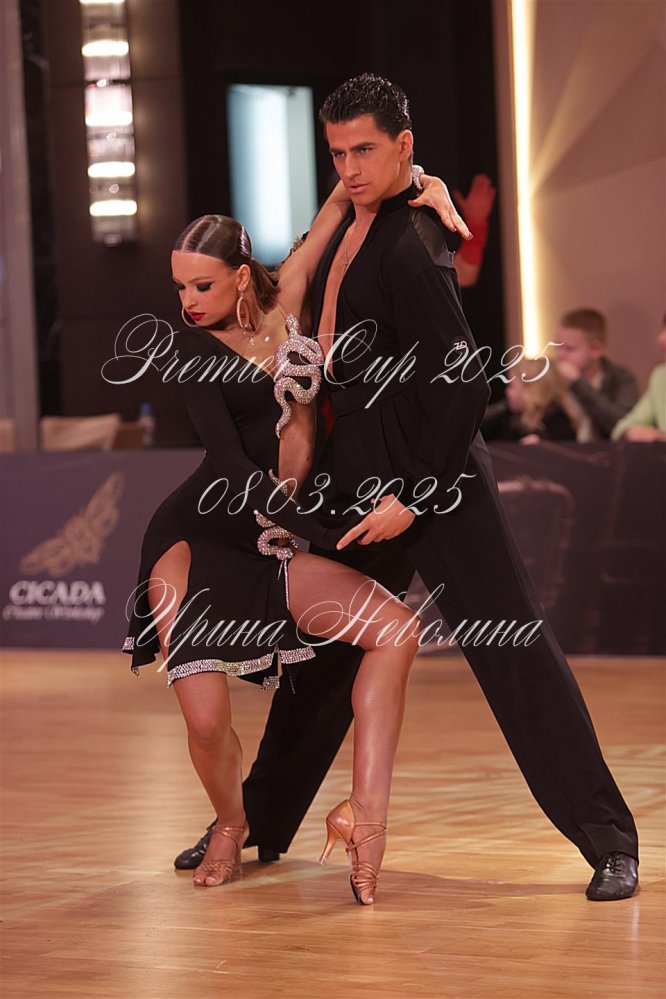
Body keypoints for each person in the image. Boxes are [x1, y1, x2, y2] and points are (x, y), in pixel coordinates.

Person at [176, 74, 639, 903]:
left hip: (438, 483)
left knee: (514, 651)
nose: (350, 168)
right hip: (359, 481)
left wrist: (418, 494)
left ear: (403, 146)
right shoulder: (361, 219)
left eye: (365, 150)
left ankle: (610, 841)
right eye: (338, 153)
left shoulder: (413, 243)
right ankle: (261, 819)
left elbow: (464, 385)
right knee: (324, 661)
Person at [122, 173, 461, 904]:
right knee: (206, 720)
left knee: (397, 631)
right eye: (179, 287)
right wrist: (324, 535)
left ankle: (366, 816)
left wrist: (421, 183)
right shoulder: (191, 351)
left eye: (202, 285)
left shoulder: (290, 293)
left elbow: (345, 193)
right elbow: (232, 470)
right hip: (199, 538)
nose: (187, 302)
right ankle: (230, 821)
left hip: (271, 538)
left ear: (242, 275)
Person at [555, 308, 639, 439]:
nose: (560, 356)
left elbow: (622, 425)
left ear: (596, 349)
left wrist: (578, 383)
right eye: (558, 347)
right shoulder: (554, 380)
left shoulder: (621, 379)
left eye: (569, 349)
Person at [482, 358, 581, 443]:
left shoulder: (561, 424)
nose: (507, 392)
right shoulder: (506, 416)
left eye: (511, 386)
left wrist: (542, 445)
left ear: (532, 390)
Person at [611, 316, 666, 440]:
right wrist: (633, 431)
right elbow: (624, 426)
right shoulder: (661, 377)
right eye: (663, 329)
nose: (661, 338)